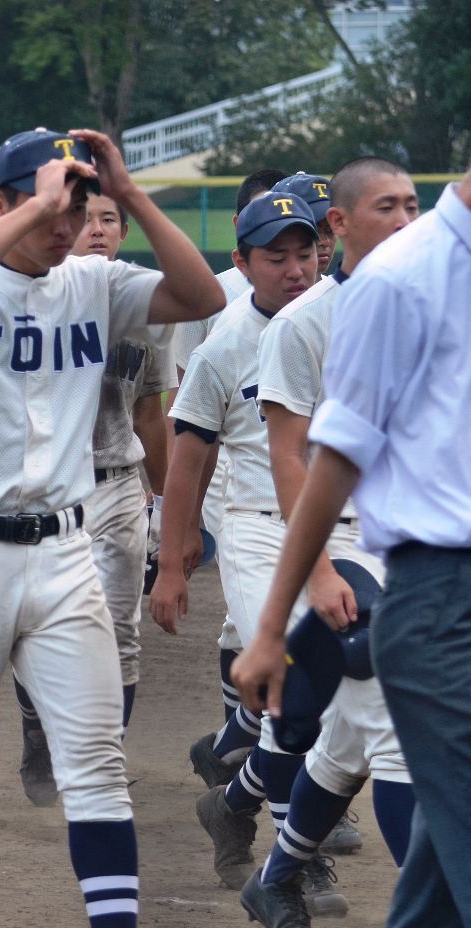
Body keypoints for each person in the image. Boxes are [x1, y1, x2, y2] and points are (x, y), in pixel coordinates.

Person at [0, 126, 224, 928]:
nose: (65, 224)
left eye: (78, 208)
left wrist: (132, 194)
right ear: (3, 203)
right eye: (51, 206)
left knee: (99, 767)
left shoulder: (95, 282)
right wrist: (34, 207)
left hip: (66, 556)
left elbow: (205, 297)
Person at [232, 165, 471, 928]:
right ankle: (257, 814)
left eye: (408, 202)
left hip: (415, 571)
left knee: (436, 876)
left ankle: (264, 841)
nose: (399, 217)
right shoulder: (390, 285)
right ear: (342, 222)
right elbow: (309, 461)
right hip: (415, 579)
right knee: (380, 738)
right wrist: (276, 622)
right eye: (383, 205)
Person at [149, 191, 319, 894]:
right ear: (241, 264)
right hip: (255, 527)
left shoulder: (344, 323)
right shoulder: (224, 348)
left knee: (340, 703)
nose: (294, 269)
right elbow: (188, 461)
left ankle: (233, 796)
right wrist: (171, 562)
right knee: (289, 685)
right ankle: (298, 861)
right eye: (275, 256)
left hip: (338, 532)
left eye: (304, 252)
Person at [11, 192, 179, 802]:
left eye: (110, 219)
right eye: (87, 219)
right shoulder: (29, 303)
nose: (98, 229)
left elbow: (150, 414)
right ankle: (37, 722)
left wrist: (164, 504)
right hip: (46, 495)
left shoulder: (141, 314)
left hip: (116, 486)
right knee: (35, 626)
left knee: (120, 631)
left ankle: (101, 763)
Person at [169, 169, 287, 737]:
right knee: (257, 628)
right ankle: (258, 764)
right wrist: (182, 525)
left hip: (308, 483)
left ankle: (234, 749)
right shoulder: (214, 299)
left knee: (269, 634)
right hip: (234, 471)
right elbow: (187, 408)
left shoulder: (324, 302)